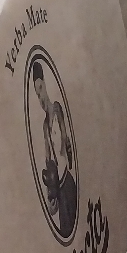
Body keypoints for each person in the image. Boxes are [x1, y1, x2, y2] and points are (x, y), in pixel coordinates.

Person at [32, 58, 78, 239]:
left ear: (45, 84)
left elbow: (66, 141)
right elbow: (48, 160)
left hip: (68, 182)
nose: (41, 98)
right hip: (59, 189)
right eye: (37, 95)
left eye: (41, 89)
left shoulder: (58, 110)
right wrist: (51, 195)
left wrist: (67, 153)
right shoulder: (44, 127)